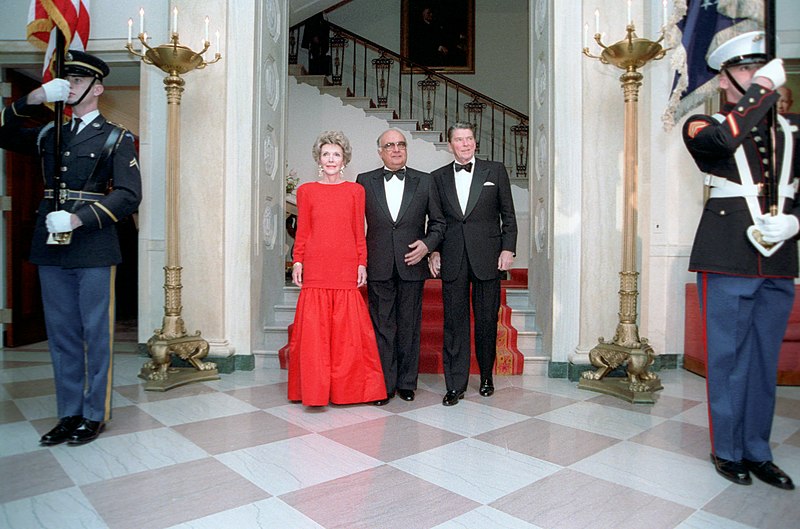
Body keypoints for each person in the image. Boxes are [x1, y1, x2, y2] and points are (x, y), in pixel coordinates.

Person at [0, 51, 142, 445]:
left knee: (94, 332)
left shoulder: (116, 137)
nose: (70, 86)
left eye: (78, 81)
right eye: (66, 81)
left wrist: (79, 218)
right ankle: (69, 413)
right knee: (61, 334)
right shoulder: (50, 133)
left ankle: (94, 414)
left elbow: (129, 195)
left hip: (93, 245)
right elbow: (5, 133)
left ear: (97, 89)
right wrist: (31, 99)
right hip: (51, 246)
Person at [683, 31, 796, 490]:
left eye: (761, 69)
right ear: (725, 78)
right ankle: (727, 450)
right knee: (728, 360)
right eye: (747, 70)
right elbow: (725, 142)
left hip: (779, 259)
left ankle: (758, 450)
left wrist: (795, 224)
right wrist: (762, 93)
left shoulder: (792, 131)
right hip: (727, 255)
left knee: (764, 361)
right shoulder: (701, 124)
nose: (755, 77)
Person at [287, 131, 386, 406]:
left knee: (348, 339)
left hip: (344, 267)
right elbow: (303, 231)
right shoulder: (306, 191)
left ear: (344, 160)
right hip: (316, 268)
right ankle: (314, 392)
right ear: (319, 159)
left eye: (336, 155)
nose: (331, 159)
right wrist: (298, 260)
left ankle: (347, 392)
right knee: (314, 339)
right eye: (326, 154)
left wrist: (362, 263)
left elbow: (359, 231)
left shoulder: (356, 191)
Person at [428, 122, 517, 406]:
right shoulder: (437, 177)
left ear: (475, 142)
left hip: (488, 256)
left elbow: (509, 215)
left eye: (468, 139)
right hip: (453, 256)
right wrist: (434, 252)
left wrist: (508, 248)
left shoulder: (496, 170)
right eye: (458, 139)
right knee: (454, 322)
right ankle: (455, 384)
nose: (464, 144)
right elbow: (436, 221)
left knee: (487, 320)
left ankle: (487, 376)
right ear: (450, 145)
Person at [356, 129, 445, 405]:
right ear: (380, 151)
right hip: (379, 264)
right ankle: (385, 384)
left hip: (412, 264)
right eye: (389, 145)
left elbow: (439, 224)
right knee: (382, 327)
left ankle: (407, 383)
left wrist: (428, 246)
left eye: (401, 145)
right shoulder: (364, 181)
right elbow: (354, 226)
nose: (396, 149)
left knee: (409, 326)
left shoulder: (425, 180)